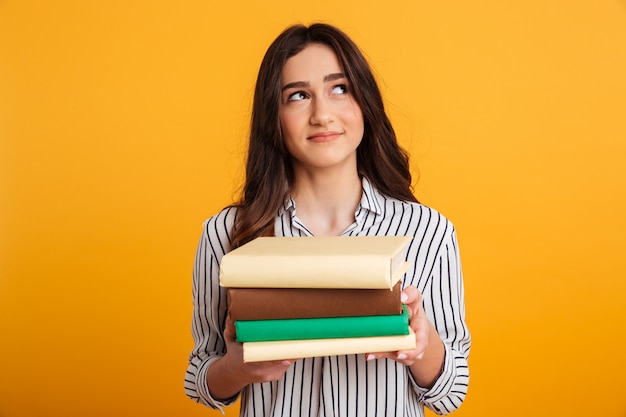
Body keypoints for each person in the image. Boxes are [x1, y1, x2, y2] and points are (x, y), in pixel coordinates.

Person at [185, 23, 470, 417]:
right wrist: (236, 368)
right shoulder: (227, 234)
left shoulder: (428, 231)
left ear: (364, 103)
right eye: (298, 96)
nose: (322, 114)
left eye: (340, 88)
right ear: (274, 116)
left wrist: (422, 344)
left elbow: (451, 392)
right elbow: (203, 380)